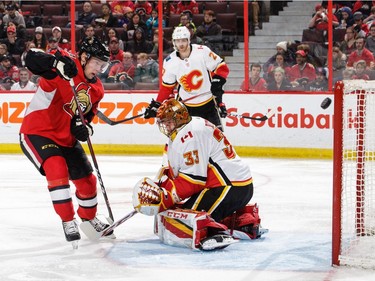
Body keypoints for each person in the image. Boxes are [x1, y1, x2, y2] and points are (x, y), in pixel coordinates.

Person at [132, 98, 266, 250]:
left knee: (186, 221)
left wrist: (166, 197)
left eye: (169, 122)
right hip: (229, 185)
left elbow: (193, 182)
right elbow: (172, 170)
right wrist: (160, 187)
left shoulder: (189, 135)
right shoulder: (186, 129)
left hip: (229, 187)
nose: (166, 126)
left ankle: (214, 232)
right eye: (164, 122)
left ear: (179, 119)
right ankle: (243, 222)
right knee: (177, 213)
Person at [19, 37, 114, 245]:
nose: (99, 68)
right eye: (96, 63)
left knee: (87, 181)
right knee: (56, 167)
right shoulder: (65, 63)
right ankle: (67, 220)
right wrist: (55, 63)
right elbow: (29, 57)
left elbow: (86, 115)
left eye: (103, 64)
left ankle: (89, 218)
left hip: (66, 137)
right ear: (83, 57)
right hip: (38, 131)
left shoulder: (97, 89)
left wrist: (84, 126)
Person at [143, 26, 229, 132]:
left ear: (188, 40)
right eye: (178, 41)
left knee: (217, 140)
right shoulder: (170, 62)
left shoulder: (202, 51)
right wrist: (157, 105)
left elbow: (222, 68)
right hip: (185, 108)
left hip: (208, 104)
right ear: (174, 42)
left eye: (183, 40)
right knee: (183, 140)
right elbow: (166, 88)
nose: (181, 44)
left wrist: (217, 82)